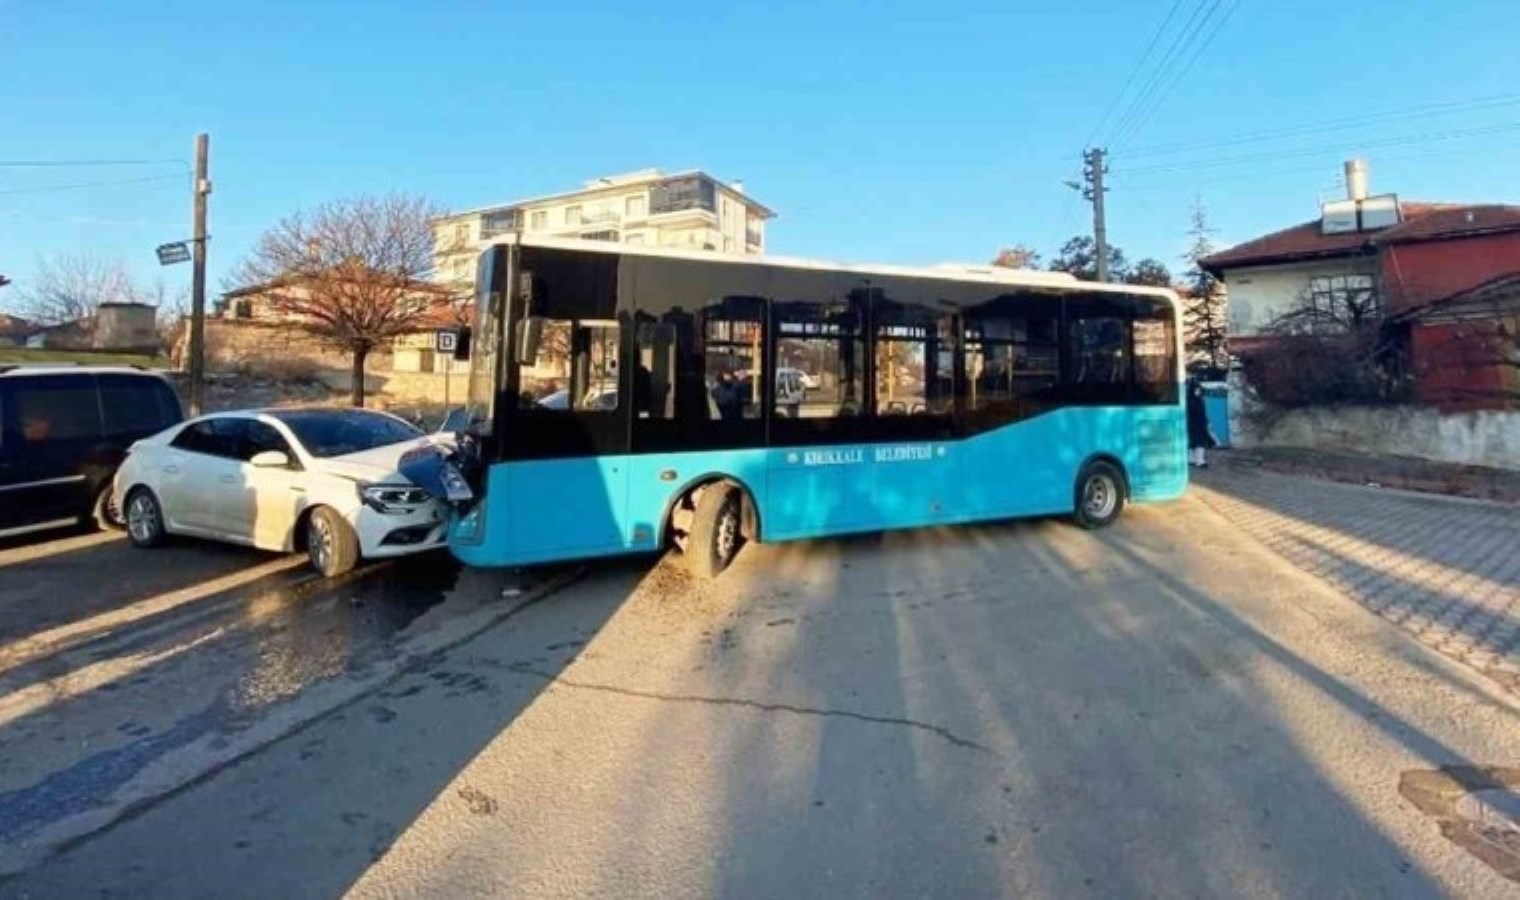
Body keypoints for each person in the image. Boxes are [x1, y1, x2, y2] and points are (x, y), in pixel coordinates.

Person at [1186, 378, 1215, 468]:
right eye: (1197, 389)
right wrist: (1206, 422)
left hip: (1195, 425)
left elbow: (1202, 413)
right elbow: (1200, 413)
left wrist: (1207, 422)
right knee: (1198, 443)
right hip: (1195, 425)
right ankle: (1199, 461)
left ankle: (1193, 460)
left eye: (1199, 389)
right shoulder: (1194, 401)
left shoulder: (1195, 400)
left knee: (1194, 443)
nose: (1198, 391)